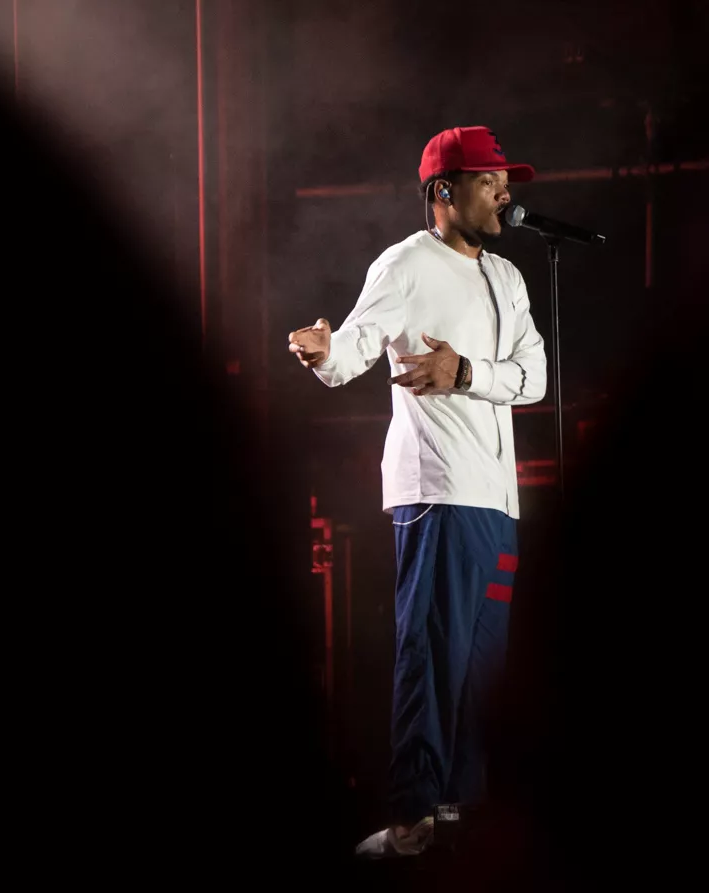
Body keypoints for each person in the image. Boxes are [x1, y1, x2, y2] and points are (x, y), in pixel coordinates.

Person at [288, 125, 547, 859]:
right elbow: (352, 351)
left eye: (506, 181)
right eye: (489, 180)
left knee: (483, 669)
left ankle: (461, 819)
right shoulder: (405, 264)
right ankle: (411, 823)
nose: (503, 193)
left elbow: (535, 377)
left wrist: (465, 372)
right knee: (431, 656)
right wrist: (324, 352)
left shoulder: (509, 277)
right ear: (444, 191)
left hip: (498, 504)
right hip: (437, 492)